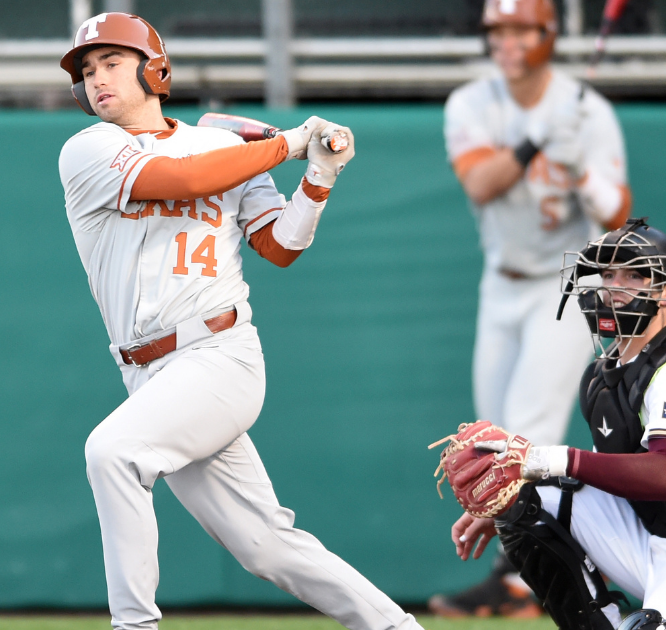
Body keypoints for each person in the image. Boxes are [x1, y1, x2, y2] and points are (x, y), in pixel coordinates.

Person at [56, 12, 421, 630]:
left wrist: (318, 176)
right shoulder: (88, 149)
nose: (97, 79)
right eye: (87, 71)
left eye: (112, 63)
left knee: (113, 453)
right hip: (148, 373)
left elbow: (280, 245)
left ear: (155, 70)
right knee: (265, 545)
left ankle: (133, 624)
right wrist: (286, 144)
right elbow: (182, 177)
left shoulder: (225, 148)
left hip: (219, 355)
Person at [434, 219, 666, 629]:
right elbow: (607, 483)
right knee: (524, 494)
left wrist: (544, 458)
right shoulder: (602, 376)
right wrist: (508, 501)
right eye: (608, 274)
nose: (615, 286)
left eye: (634, 275)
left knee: (542, 469)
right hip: (650, 546)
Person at [434, 0, 632, 616]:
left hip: (566, 283)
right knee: (491, 428)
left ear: (547, 34)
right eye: (498, 29)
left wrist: (581, 174)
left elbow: (617, 215)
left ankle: (523, 577)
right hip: (502, 280)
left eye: (520, 28)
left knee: (527, 426)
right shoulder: (471, 103)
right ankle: (521, 568)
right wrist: (535, 142)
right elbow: (480, 183)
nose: (507, 40)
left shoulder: (588, 111)